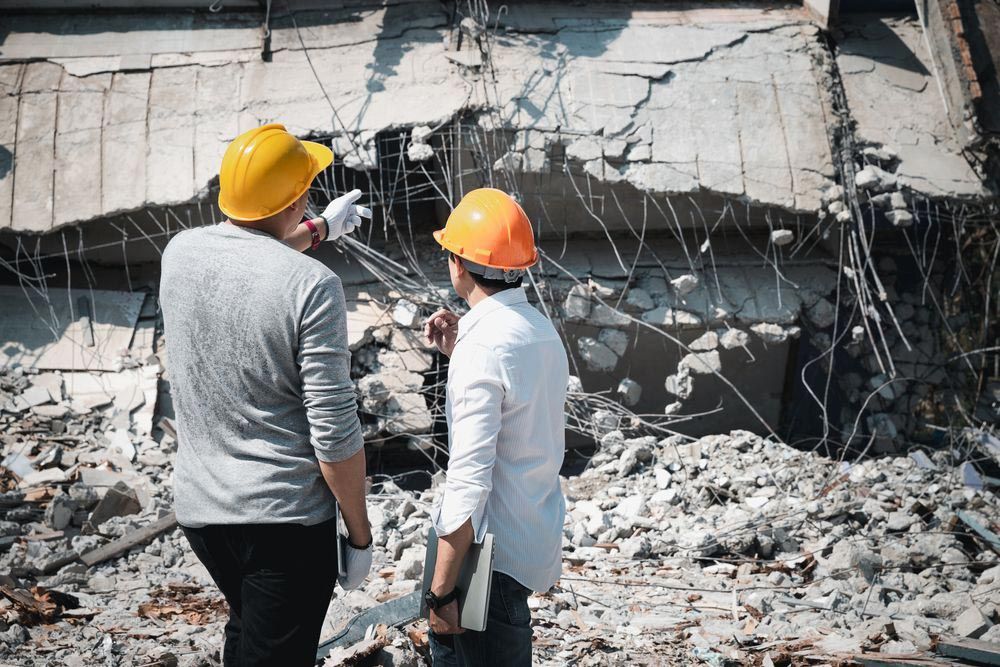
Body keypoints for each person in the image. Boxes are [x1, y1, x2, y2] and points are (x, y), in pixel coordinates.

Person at [160, 123, 374, 666]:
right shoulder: (314, 286)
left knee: (250, 634)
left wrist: (319, 229)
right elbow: (334, 432)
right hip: (283, 523)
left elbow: (247, 262)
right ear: (298, 197)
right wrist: (359, 534)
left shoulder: (180, 253)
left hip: (202, 512)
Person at [422, 189, 569, 666]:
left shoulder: (482, 348)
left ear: (458, 264)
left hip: (487, 559)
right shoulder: (540, 330)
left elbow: (468, 479)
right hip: (529, 542)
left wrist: (441, 592)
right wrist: (460, 350)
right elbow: (519, 409)